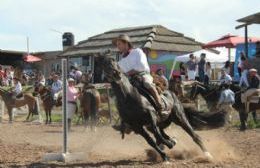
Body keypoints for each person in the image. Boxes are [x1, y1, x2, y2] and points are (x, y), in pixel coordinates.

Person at [113, 34, 164, 116]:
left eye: (119, 44)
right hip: (130, 80)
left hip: (143, 75)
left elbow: (142, 66)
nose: (117, 46)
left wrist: (129, 72)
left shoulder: (137, 51)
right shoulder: (121, 61)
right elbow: (121, 73)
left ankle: (159, 104)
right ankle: (125, 118)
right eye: (117, 45)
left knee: (147, 84)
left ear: (126, 43)